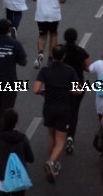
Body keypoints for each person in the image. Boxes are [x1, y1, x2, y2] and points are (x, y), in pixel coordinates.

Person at [34, 44, 82, 183]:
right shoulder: (70, 71)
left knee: (51, 135)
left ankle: (54, 164)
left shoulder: (45, 70)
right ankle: (51, 162)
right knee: (60, 140)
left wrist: (44, 93)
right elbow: (78, 90)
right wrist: (69, 92)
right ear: (64, 56)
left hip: (49, 108)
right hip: (63, 109)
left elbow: (36, 89)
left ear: (53, 56)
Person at [0, 19, 28, 132]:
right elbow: (23, 62)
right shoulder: (15, 44)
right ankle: (5, 133)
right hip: (10, 82)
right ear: (9, 30)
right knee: (7, 109)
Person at [0, 109, 34, 196]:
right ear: (16, 122)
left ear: (3, 121)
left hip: (2, 179)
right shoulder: (22, 138)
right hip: (18, 178)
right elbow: (31, 159)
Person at [29, 0, 67, 70]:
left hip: (41, 13)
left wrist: (40, 1)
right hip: (54, 14)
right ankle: (51, 58)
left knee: (42, 35)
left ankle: (40, 53)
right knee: (53, 35)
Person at [62, 28, 92, 154]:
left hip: (63, 85)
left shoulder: (61, 51)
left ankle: (62, 131)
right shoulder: (81, 52)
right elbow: (88, 68)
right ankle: (70, 136)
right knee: (74, 111)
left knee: (63, 109)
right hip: (78, 85)